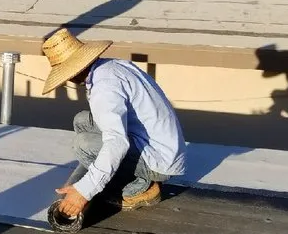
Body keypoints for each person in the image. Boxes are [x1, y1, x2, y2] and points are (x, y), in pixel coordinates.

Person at [40, 28, 187, 220]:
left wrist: (83, 191)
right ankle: (106, 172)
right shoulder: (110, 66)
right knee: (82, 121)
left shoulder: (104, 88)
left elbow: (117, 142)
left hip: (159, 161)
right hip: (161, 144)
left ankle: (141, 187)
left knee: (83, 145)